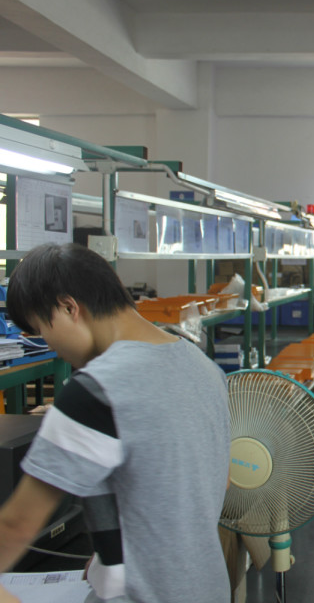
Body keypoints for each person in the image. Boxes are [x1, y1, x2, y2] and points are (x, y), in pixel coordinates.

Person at [0, 243, 231, 603]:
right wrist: (114, 557)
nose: (51, 346)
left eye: (42, 330)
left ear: (68, 307)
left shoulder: (95, 390)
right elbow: (213, 481)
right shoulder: (205, 368)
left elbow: (17, 525)